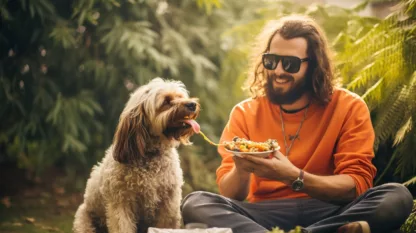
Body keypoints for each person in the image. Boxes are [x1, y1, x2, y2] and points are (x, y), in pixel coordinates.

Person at [180, 15, 414, 233]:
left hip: (329, 209)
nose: (278, 71)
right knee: (196, 203)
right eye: (271, 61)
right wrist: (241, 168)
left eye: (290, 64)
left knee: (396, 196)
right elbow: (232, 194)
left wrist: (294, 176)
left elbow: (356, 185)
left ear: (313, 65)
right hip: (264, 213)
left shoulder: (349, 107)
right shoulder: (245, 112)